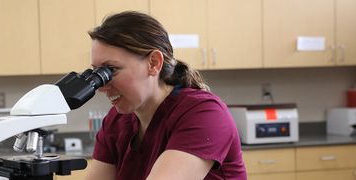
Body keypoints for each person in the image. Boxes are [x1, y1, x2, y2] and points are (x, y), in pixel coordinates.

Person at [84, 11, 246, 180]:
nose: (102, 86)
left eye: (111, 70)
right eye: (96, 72)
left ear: (154, 63)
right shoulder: (116, 121)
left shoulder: (205, 114)